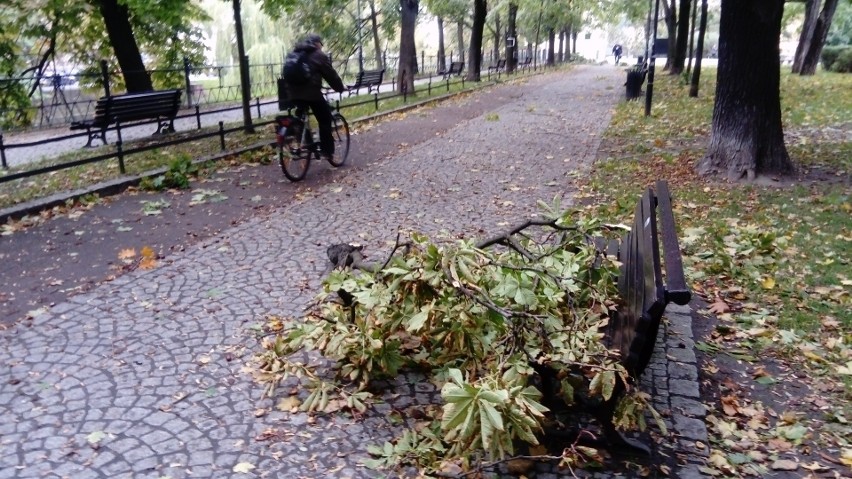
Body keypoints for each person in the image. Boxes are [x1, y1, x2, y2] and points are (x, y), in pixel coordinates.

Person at [283, 34, 346, 163]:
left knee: (300, 117)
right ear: (317, 43)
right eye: (321, 44)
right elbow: (331, 75)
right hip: (311, 94)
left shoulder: (294, 53)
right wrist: (340, 88)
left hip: (292, 93)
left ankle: (305, 141)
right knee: (324, 118)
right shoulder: (319, 55)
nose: (321, 47)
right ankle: (327, 151)